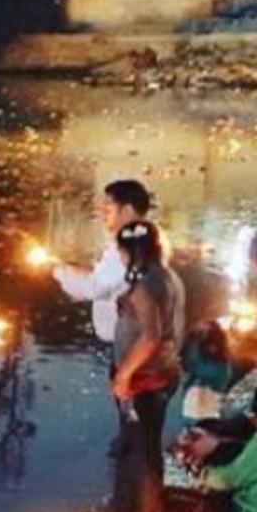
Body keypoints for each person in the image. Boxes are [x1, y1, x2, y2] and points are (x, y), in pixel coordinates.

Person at [56, 181, 159, 449]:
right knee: (140, 409)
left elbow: (95, 287)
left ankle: (137, 459)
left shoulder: (126, 249)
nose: (103, 213)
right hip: (142, 344)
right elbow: (104, 280)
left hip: (133, 345)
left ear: (127, 210)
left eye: (108, 208)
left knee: (133, 408)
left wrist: (59, 272)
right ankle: (138, 450)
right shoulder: (150, 240)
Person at [105, 219, 186, 512]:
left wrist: (124, 375)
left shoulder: (147, 286)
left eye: (121, 251)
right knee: (138, 443)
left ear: (132, 252)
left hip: (145, 379)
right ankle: (129, 507)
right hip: (161, 371)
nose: (119, 256)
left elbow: (151, 336)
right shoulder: (167, 277)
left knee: (144, 448)